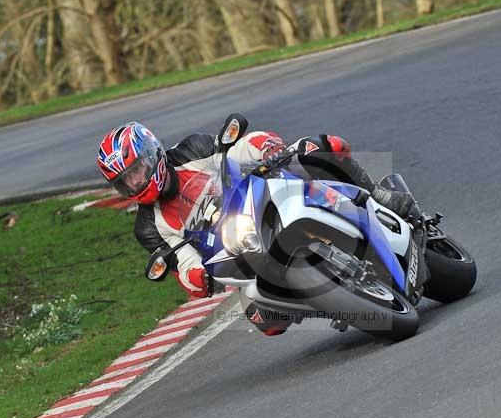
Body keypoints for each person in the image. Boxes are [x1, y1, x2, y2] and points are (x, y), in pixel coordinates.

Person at [97, 121, 414, 335]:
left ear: (152, 154)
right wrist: (195, 277)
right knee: (264, 321)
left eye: (137, 170)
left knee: (322, 146)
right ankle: (334, 301)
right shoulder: (148, 226)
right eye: (126, 180)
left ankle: (378, 195)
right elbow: (181, 262)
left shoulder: (190, 151)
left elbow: (236, 149)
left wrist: (265, 147)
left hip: (260, 197)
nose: (136, 182)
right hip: (238, 252)